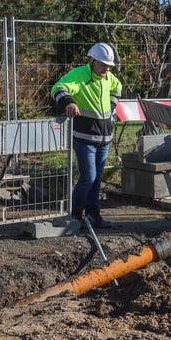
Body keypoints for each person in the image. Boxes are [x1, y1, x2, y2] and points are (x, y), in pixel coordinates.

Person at [51, 42, 122, 228]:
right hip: (84, 138)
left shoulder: (108, 78)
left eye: (109, 66)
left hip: (104, 138)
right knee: (88, 177)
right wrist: (68, 102)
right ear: (92, 61)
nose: (106, 68)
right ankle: (75, 215)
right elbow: (58, 88)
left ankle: (93, 215)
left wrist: (113, 105)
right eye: (102, 64)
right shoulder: (79, 75)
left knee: (97, 177)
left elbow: (118, 87)